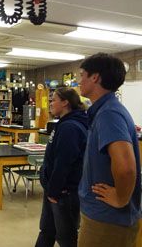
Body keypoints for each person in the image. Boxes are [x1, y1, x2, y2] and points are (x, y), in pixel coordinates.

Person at [78, 53, 141, 247]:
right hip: (102, 215)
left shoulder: (109, 114)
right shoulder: (104, 111)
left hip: (107, 220)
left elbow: (126, 167)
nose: (79, 81)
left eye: (82, 75)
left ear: (95, 77)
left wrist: (121, 198)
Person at [36, 87, 88, 247]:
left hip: (62, 193)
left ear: (65, 102)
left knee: (66, 238)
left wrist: (54, 191)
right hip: (54, 189)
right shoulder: (64, 124)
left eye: (54, 100)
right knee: (46, 231)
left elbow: (64, 162)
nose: (51, 104)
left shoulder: (70, 127)